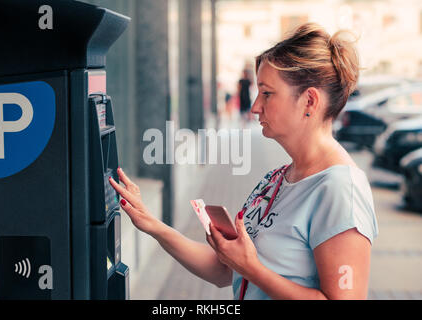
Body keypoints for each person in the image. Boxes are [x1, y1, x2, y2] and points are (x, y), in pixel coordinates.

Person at [109, 22, 378, 300]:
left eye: (267, 93)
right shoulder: (278, 178)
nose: (254, 107)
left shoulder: (341, 190)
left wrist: (251, 268)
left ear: (309, 101)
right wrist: (152, 224)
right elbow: (223, 270)